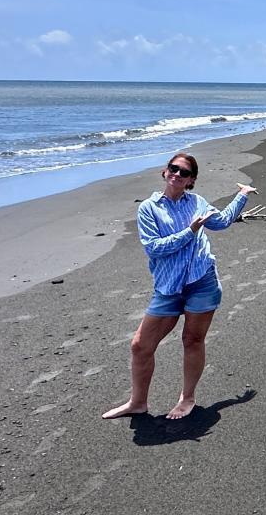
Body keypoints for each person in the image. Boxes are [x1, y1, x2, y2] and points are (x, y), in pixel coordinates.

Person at [102, 152, 256, 420]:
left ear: (191, 180)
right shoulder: (149, 208)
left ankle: (188, 398)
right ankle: (137, 402)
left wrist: (242, 195)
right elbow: (155, 248)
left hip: (202, 282)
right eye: (173, 168)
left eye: (184, 173)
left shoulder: (197, 202)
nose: (177, 174)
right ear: (165, 172)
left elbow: (220, 222)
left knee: (193, 340)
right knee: (140, 345)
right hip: (168, 288)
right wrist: (190, 231)